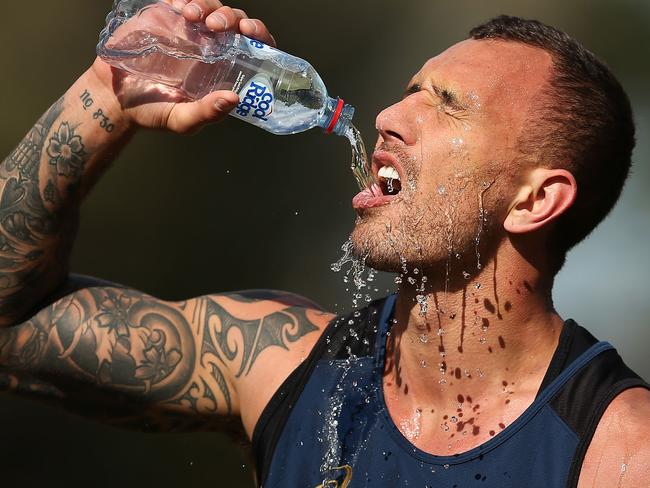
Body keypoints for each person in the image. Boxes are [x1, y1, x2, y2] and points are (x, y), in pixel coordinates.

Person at [0, 0, 648, 486]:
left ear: (538, 199)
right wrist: (105, 96)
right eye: (407, 93)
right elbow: (10, 326)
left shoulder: (617, 453)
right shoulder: (275, 363)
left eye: (447, 103)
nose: (391, 118)